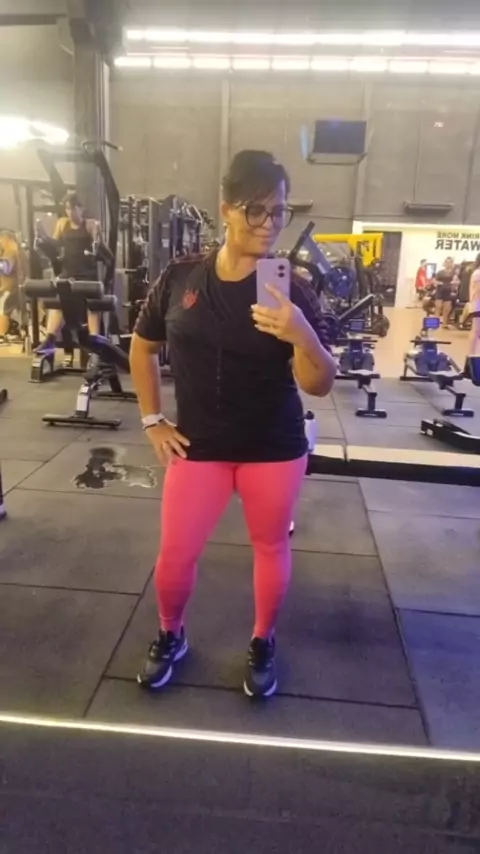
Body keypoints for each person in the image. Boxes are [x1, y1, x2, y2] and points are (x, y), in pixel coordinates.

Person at [130, 150, 337, 699]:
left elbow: (319, 383)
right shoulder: (180, 277)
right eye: (256, 210)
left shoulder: (292, 289)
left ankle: (263, 640)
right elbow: (142, 347)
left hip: (273, 446)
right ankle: (171, 634)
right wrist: (152, 420)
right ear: (226, 209)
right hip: (200, 446)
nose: (269, 224)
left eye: (279, 211)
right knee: (175, 555)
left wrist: (300, 333)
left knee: (270, 546)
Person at [35, 191, 113, 358]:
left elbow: (103, 251)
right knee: (58, 304)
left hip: (87, 275)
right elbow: (55, 245)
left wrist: (97, 238)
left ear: (80, 208)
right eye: (67, 209)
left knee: (92, 306)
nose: (70, 212)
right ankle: (49, 340)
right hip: (68, 273)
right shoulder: (62, 224)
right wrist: (43, 238)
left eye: (73, 208)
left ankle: (95, 345)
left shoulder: (90, 225)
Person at [0, 230, 21, 341]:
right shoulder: (15, 252)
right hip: (11, 286)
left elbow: (6, 268)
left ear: (6, 239)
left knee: (3, 311)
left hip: (9, 288)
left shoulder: (11, 252)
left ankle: (1, 334)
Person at [434, 257, 457, 329]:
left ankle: (444, 324)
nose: (448, 264)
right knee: (438, 307)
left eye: (450, 262)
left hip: (448, 292)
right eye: (447, 262)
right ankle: (435, 323)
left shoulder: (453, 273)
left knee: (446, 309)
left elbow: (456, 281)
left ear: (452, 263)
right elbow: (434, 280)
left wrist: (455, 283)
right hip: (440, 291)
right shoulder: (440, 272)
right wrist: (438, 283)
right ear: (445, 263)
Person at [467, 254, 480, 356]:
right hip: (477, 304)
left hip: (476, 304)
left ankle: (472, 353)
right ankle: (471, 354)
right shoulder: (478, 273)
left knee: (476, 330)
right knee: (475, 330)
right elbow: (478, 290)